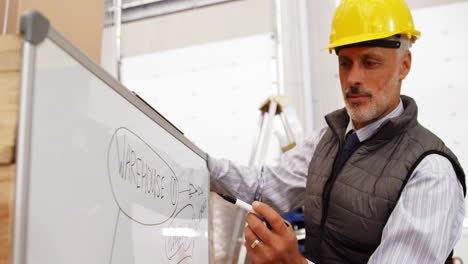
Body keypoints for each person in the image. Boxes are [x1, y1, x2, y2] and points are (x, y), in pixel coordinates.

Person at [209, 0, 466, 263]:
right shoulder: (328, 139)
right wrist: (198, 165)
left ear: (404, 65)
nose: (353, 78)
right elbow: (267, 187)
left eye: (370, 62)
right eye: (345, 63)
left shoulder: (430, 172)